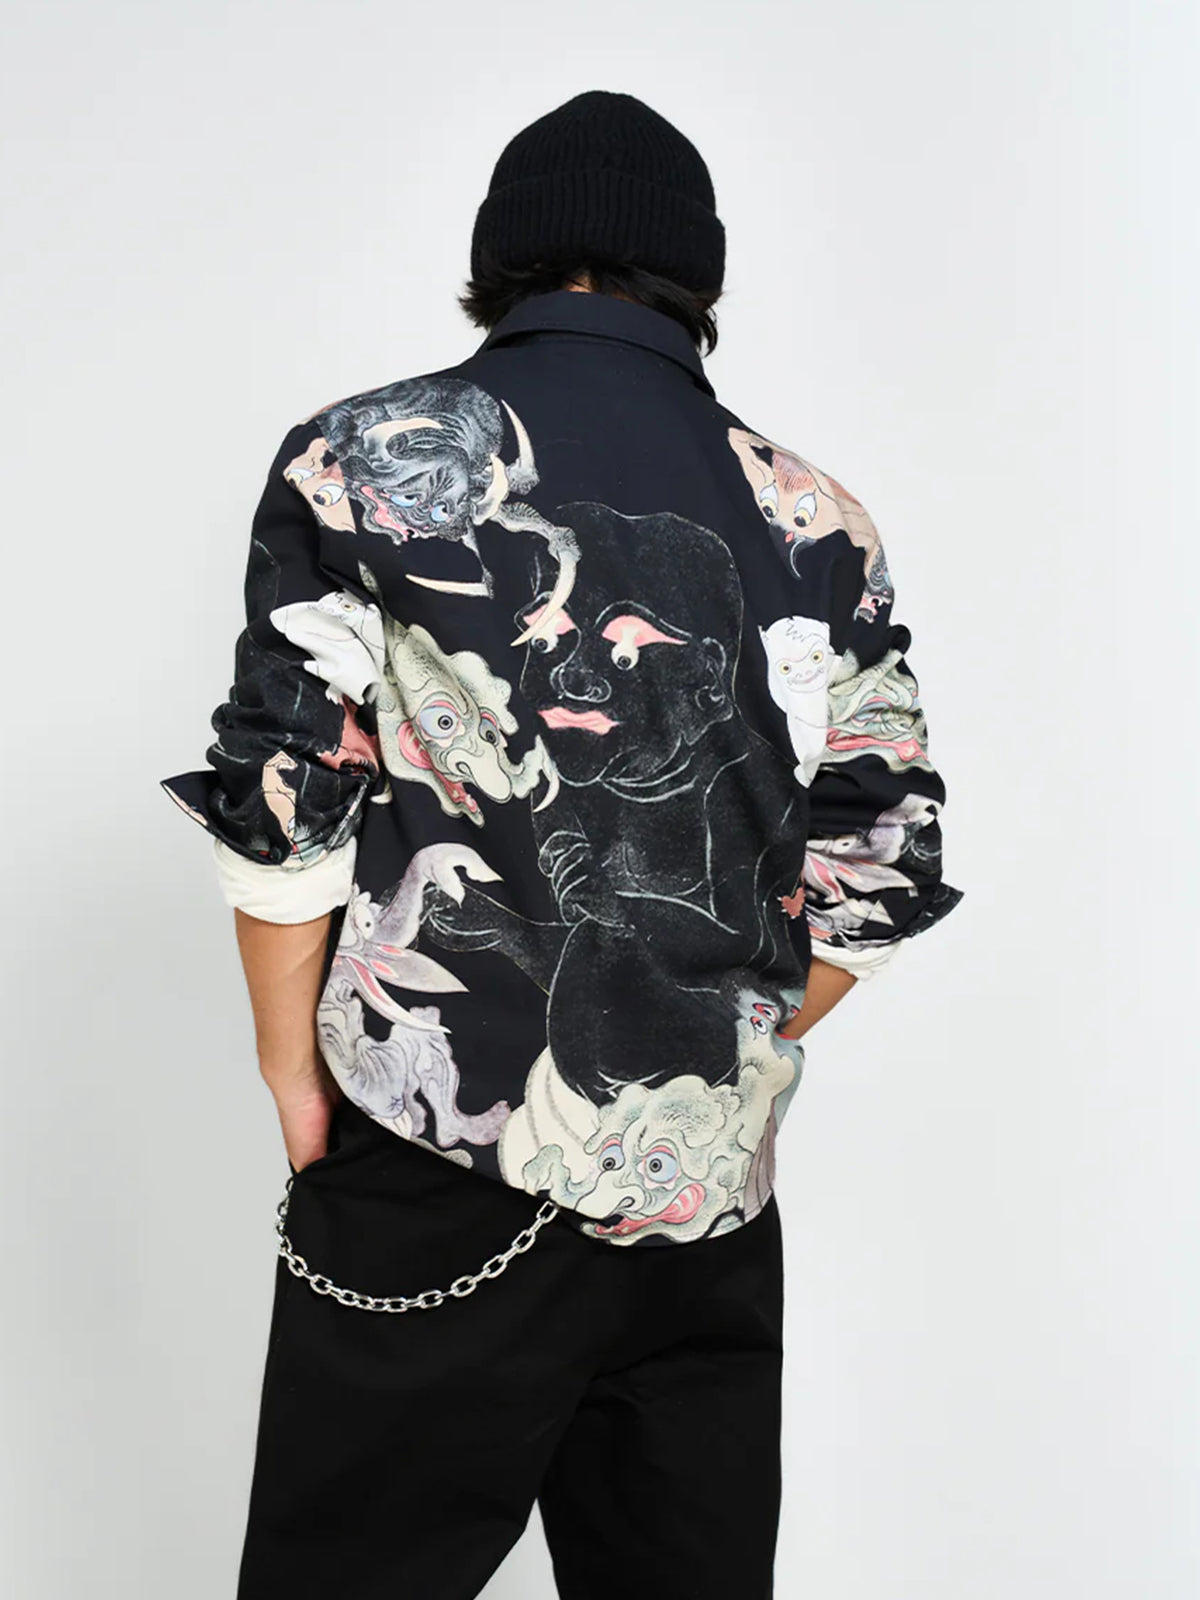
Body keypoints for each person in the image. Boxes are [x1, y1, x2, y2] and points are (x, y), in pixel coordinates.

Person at [161, 88, 964, 1600]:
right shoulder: (819, 520)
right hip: (704, 1196)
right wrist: (708, 1045)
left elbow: (289, 796)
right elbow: (878, 872)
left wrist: (294, 1067)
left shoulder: (356, 458)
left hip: (433, 1163)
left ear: (501, 262)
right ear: (696, 277)